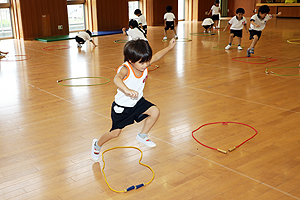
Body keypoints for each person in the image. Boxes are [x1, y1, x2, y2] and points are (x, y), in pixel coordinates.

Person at [91, 38, 176, 161]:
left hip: (137, 102)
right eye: (142, 63)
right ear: (131, 60)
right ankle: (97, 145)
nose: (146, 65)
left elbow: (157, 56)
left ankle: (142, 135)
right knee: (115, 133)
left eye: (147, 61)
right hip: (122, 107)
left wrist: (169, 47)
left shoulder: (143, 62)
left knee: (155, 111)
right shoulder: (126, 68)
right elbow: (117, 78)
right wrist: (126, 90)